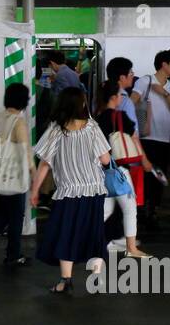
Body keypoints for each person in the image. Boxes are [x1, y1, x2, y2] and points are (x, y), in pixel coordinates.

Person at [29, 87, 112, 295]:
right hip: (93, 190)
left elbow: (44, 164)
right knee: (94, 233)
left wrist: (35, 190)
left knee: (66, 233)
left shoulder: (56, 130)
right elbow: (105, 160)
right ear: (82, 104)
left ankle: (66, 281)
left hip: (68, 192)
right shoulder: (92, 127)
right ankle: (96, 279)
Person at [0, 82, 37, 266]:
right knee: (15, 217)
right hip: (13, 177)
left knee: (3, 212)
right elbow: (25, 151)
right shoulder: (18, 122)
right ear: (22, 101)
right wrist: (34, 174)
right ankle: (13, 255)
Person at [95, 81, 152, 258]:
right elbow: (134, 139)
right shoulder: (121, 117)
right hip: (120, 171)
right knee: (129, 208)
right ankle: (131, 248)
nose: (121, 98)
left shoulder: (97, 118)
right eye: (120, 95)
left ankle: (86, 241)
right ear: (113, 97)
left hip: (102, 170)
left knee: (105, 210)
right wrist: (145, 160)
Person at [132, 51, 170, 229]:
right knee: (146, 175)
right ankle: (142, 209)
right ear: (164, 64)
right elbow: (132, 102)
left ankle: (153, 209)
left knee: (159, 176)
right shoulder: (145, 81)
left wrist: (164, 94)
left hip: (163, 139)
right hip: (146, 138)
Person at [105, 57, 139, 132]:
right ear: (122, 78)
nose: (133, 75)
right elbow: (134, 131)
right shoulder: (126, 102)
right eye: (131, 73)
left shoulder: (102, 95)